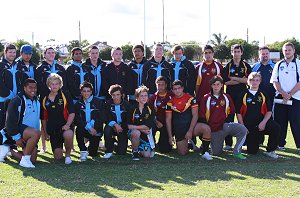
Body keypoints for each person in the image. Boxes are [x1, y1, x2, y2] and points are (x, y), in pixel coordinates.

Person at [199, 76, 248, 159]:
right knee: (216, 153)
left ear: (222, 85)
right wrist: (208, 129)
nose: (216, 86)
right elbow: (202, 115)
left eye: (218, 84)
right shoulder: (206, 98)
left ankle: (237, 152)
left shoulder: (226, 97)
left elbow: (232, 112)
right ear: (211, 85)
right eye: (214, 84)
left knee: (242, 129)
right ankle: (212, 144)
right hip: (214, 129)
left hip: (225, 126)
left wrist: (226, 123)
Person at [236, 72, 280, 158]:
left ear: (260, 82)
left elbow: (269, 111)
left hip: (262, 123)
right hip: (249, 126)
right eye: (252, 80)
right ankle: (253, 141)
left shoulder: (264, 94)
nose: (254, 82)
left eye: (257, 80)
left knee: (276, 127)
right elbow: (238, 113)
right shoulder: (242, 94)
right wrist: (242, 126)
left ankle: (270, 150)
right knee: (252, 151)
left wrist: (263, 122)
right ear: (248, 81)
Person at [0, 78, 40, 168]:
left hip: (31, 134)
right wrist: (16, 137)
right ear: (24, 88)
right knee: (36, 133)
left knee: (33, 160)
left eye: (35, 88)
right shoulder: (17, 100)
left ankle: (10, 150)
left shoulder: (37, 100)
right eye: (30, 87)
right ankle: (24, 160)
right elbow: (10, 121)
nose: (33, 90)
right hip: (19, 132)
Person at [270, 42, 300, 154]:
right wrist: (283, 93)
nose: (287, 52)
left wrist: (290, 94)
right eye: (285, 50)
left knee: (296, 122)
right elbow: (274, 81)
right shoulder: (278, 64)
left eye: (289, 50)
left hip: (295, 98)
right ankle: (280, 144)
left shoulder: (298, 63)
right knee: (280, 122)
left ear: (293, 51)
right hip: (280, 98)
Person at [222, 44, 252, 150]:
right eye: (234, 51)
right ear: (231, 53)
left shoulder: (246, 66)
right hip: (230, 96)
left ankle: (244, 142)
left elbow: (249, 81)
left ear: (241, 53)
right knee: (229, 119)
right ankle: (228, 144)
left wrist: (235, 78)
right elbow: (226, 82)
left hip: (243, 96)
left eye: (238, 51)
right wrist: (241, 80)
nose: (236, 53)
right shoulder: (228, 66)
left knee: (243, 119)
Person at [41, 74, 75, 164]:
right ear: (49, 85)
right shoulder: (44, 97)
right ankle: (60, 149)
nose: (54, 86)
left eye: (57, 84)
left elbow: (72, 113)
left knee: (68, 134)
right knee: (58, 157)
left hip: (65, 127)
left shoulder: (65, 94)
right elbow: (43, 117)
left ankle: (68, 155)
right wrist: (45, 132)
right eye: (52, 84)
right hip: (53, 129)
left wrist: (67, 125)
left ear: (60, 84)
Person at [165, 80, 198, 156]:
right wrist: (170, 136)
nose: (177, 90)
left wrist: (190, 131)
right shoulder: (170, 103)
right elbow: (168, 120)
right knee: (182, 153)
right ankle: (188, 144)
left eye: (179, 88)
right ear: (172, 90)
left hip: (192, 127)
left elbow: (195, 115)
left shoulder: (191, 99)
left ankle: (205, 150)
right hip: (179, 129)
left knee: (205, 129)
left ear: (182, 88)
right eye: (175, 89)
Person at [74, 81, 105, 161]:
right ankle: (83, 151)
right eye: (84, 91)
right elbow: (77, 120)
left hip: (96, 130)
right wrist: (88, 127)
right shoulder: (78, 104)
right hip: (84, 129)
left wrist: (93, 126)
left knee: (93, 153)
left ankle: (93, 145)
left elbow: (102, 118)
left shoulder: (99, 102)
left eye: (88, 91)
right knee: (78, 129)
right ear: (81, 92)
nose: (86, 93)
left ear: (91, 91)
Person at [127, 86, 155, 160]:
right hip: (134, 133)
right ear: (137, 97)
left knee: (147, 155)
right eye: (141, 96)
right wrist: (141, 129)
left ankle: (138, 147)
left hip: (145, 135)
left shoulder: (150, 109)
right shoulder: (132, 108)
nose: (144, 98)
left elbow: (148, 126)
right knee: (136, 133)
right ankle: (135, 151)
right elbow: (129, 126)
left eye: (145, 95)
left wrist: (137, 127)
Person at [103, 84, 131, 158]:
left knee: (121, 152)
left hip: (122, 128)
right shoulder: (107, 104)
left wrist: (121, 126)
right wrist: (115, 124)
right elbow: (106, 118)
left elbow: (129, 119)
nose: (116, 97)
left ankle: (114, 144)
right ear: (111, 95)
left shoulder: (127, 104)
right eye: (113, 95)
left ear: (121, 95)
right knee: (107, 129)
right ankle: (108, 150)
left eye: (118, 95)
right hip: (112, 127)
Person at [148, 76, 173, 153]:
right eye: (158, 85)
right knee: (150, 126)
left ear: (166, 85)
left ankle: (163, 142)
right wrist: (156, 121)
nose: (160, 87)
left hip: (168, 123)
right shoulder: (153, 98)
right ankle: (152, 143)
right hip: (156, 122)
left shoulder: (171, 96)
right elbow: (150, 113)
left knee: (165, 150)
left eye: (162, 84)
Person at [0, 44, 17, 130]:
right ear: (5, 52)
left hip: (14, 100)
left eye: (14, 52)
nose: (12, 54)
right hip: (3, 101)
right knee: (2, 125)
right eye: (10, 52)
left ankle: (11, 143)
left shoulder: (17, 65)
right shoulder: (1, 65)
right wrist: (9, 94)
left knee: (11, 125)